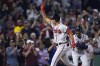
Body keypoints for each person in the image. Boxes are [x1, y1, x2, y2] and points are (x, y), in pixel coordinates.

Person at [40, 2, 75, 66]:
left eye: (52, 18)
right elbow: (46, 18)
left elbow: (70, 33)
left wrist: (73, 42)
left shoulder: (62, 26)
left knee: (53, 63)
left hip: (62, 46)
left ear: (55, 20)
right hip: (58, 46)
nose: (51, 19)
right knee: (68, 63)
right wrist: (42, 11)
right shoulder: (53, 24)